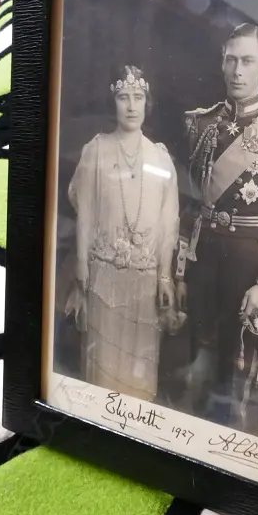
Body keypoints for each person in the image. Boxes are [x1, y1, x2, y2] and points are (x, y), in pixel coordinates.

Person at [175, 23, 258, 435]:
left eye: (247, 61)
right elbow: (190, 206)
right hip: (202, 266)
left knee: (233, 377)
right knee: (194, 362)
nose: (238, 71)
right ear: (222, 62)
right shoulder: (201, 126)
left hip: (248, 272)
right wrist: (178, 272)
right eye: (231, 60)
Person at [67, 66, 179, 402]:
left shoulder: (160, 158)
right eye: (123, 97)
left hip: (145, 285)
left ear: (147, 102)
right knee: (101, 373)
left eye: (138, 97)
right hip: (103, 279)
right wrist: (82, 270)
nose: (131, 106)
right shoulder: (96, 150)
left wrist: (164, 277)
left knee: (138, 377)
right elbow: (85, 214)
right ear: (112, 101)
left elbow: (168, 223)